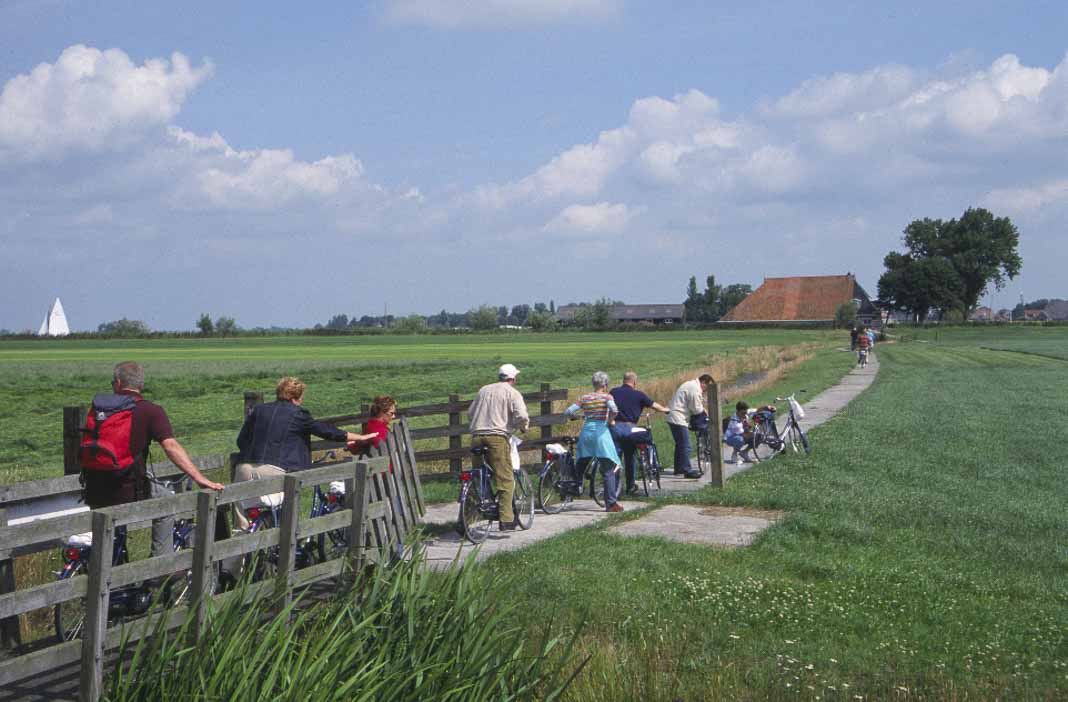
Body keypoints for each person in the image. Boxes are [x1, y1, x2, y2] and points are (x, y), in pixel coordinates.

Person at [81, 361, 224, 557]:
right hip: (129, 490)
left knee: (111, 528)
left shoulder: (97, 410)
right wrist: (200, 478)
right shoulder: (150, 410)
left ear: (118, 382)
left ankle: (112, 564)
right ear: (141, 385)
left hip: (94, 490)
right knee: (166, 502)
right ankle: (159, 567)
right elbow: (171, 447)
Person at [234, 377, 375, 529]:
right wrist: (360, 437)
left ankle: (240, 544)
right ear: (296, 398)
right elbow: (327, 432)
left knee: (242, 512)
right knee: (285, 512)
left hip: (245, 467)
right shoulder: (298, 413)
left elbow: (241, 440)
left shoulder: (259, 410)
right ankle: (285, 546)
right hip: (275, 469)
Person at [467, 363, 530, 531]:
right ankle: (506, 518)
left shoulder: (484, 390)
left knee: (478, 476)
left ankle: (469, 515)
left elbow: (470, 413)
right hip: (496, 437)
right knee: (505, 478)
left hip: (476, 436)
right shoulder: (512, 392)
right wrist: (523, 426)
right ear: (513, 378)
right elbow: (522, 415)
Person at [565, 371, 624, 512]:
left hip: (585, 433)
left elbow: (568, 411)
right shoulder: (606, 396)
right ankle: (611, 503)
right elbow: (614, 409)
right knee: (609, 468)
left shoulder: (585, 398)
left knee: (582, 462)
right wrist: (610, 420)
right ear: (605, 384)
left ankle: (576, 486)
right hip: (600, 434)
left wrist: (576, 416)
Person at [609, 371, 669, 495]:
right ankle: (630, 486)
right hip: (630, 429)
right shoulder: (639, 395)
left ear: (623, 380)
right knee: (630, 456)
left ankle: (613, 488)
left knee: (615, 458)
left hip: (614, 427)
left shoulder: (613, 392)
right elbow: (654, 405)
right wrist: (665, 409)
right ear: (634, 382)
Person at [665, 374, 713, 479]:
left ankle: (679, 469)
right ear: (704, 383)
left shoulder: (691, 385)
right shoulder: (695, 389)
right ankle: (687, 470)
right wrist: (705, 413)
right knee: (686, 445)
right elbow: (696, 409)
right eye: (707, 388)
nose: (705, 391)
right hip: (678, 417)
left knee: (680, 444)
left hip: (673, 416)